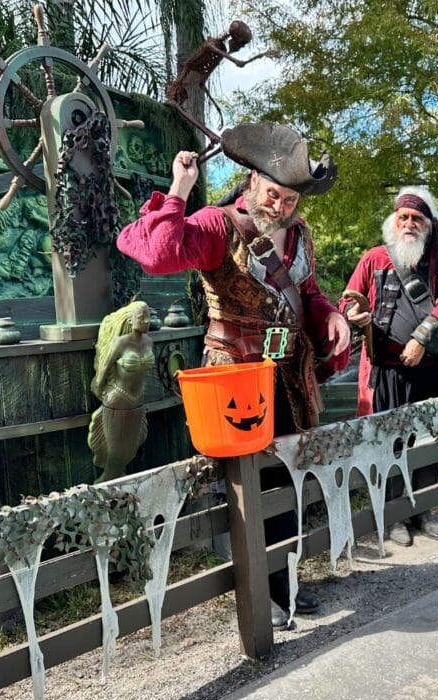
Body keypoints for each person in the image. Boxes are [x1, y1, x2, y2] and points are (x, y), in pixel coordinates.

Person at [116, 122, 352, 628]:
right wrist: (179, 189)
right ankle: (258, 593)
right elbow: (155, 253)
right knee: (245, 487)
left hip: (286, 379)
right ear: (250, 184)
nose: (280, 207)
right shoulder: (216, 226)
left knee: (285, 481)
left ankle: (285, 583)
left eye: (290, 200)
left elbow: (306, 295)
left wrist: (330, 313)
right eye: (273, 195)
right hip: (235, 379)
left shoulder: (300, 234)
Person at [338, 186, 438, 546]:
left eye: (417, 218)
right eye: (404, 218)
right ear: (394, 221)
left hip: (426, 369)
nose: (410, 224)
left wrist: (421, 339)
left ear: (429, 224)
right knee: (388, 444)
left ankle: (423, 510)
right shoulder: (374, 258)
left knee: (426, 441)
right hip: (384, 371)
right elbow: (347, 300)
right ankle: (393, 515)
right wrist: (354, 313)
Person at [88, 300, 156, 483]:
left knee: (130, 448)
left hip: (138, 400)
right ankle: (105, 483)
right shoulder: (120, 343)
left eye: (148, 316)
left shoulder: (149, 341)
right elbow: (103, 369)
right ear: (131, 320)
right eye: (141, 317)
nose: (146, 321)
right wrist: (100, 387)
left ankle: (118, 484)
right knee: (115, 451)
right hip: (118, 398)